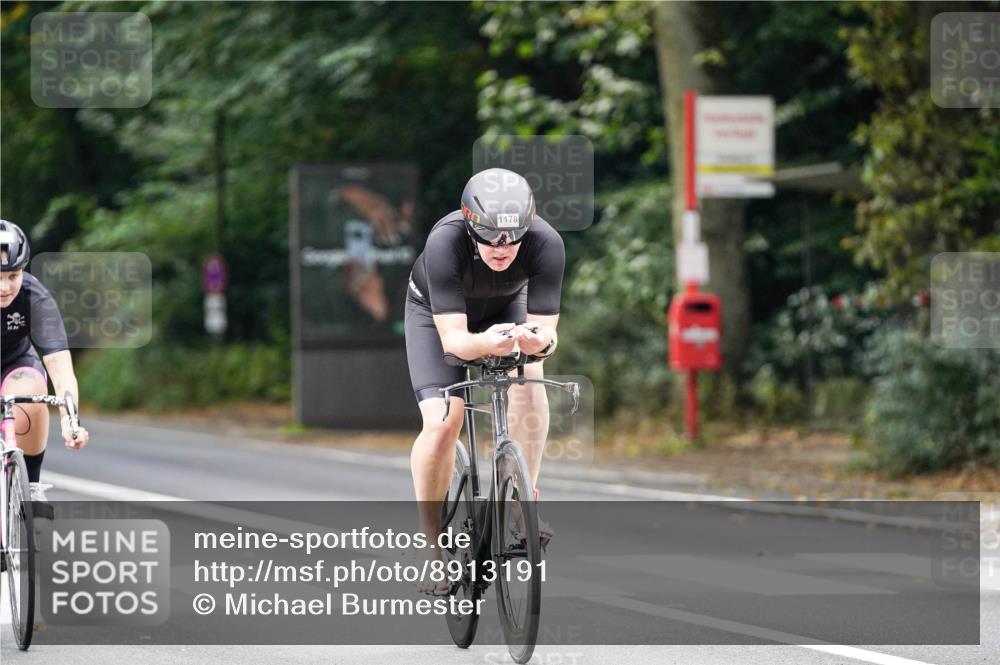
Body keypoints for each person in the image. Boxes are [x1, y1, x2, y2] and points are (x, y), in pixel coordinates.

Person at [404, 168, 564, 594]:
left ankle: (521, 500)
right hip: (437, 315)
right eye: (490, 236)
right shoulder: (446, 241)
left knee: (531, 377)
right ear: (470, 222)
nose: (502, 247)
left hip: (506, 305)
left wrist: (538, 341)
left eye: (512, 238)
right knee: (443, 420)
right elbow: (455, 342)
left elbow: (548, 337)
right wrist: (486, 344)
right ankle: (431, 547)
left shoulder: (547, 243)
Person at [0, 220, 90, 512]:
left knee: (31, 393)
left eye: (13, 275)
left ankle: (32, 487)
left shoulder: (33, 296)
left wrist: (69, 420)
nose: (5, 287)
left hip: (14, 364)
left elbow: (60, 366)